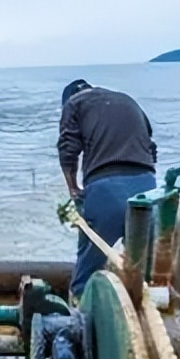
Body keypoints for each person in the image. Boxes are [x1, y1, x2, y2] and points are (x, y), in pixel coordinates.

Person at [57, 78, 157, 300]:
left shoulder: (74, 104)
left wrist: (73, 188)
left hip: (106, 191)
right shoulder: (128, 101)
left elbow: (68, 149)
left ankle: (78, 319)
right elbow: (151, 147)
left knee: (85, 274)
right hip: (149, 191)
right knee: (142, 273)